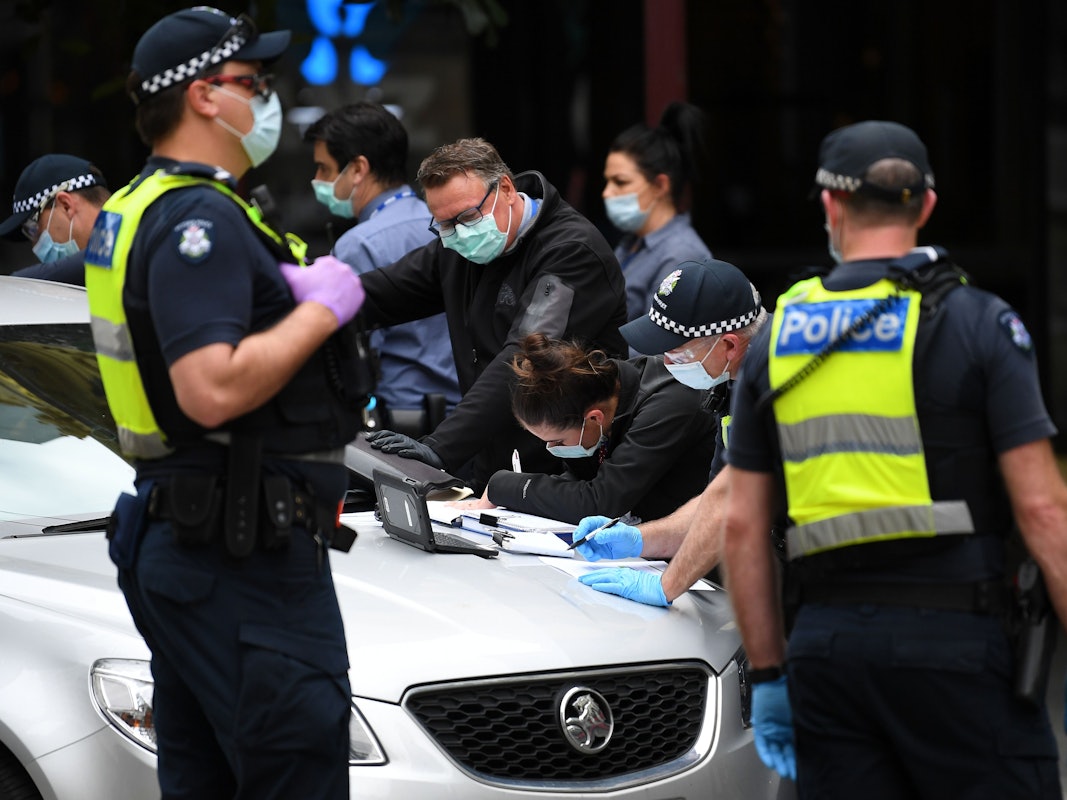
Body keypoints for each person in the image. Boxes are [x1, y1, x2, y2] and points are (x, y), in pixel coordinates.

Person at [722, 120, 1067, 796]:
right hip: (958, 648)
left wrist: (768, 676)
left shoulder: (778, 335)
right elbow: (1041, 507)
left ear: (829, 204)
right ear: (926, 205)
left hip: (826, 655)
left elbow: (740, 527)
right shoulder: (978, 322)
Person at [83, 8, 367, 799]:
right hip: (240, 556)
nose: (267, 98)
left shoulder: (146, 202)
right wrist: (323, 308)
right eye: (255, 83)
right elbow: (207, 389)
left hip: (198, 534)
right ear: (206, 96)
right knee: (292, 773)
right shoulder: (198, 216)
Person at [362, 137, 628, 492]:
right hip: (495, 464)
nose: (458, 234)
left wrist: (439, 447)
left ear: (505, 188)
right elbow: (384, 291)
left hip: (569, 467)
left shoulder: (571, 252)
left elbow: (525, 356)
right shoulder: (458, 247)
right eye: (444, 225)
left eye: (469, 217)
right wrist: (306, 302)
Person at [569, 259, 770, 606]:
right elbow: (715, 498)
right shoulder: (736, 384)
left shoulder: (777, 382)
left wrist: (666, 586)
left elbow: (732, 505)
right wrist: (640, 539)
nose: (666, 360)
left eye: (678, 350)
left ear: (730, 345)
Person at [304, 102, 461, 432]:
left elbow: (348, 356)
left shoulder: (358, 244)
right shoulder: (449, 225)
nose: (316, 180)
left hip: (399, 428)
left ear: (358, 169)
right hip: (464, 419)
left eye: (323, 169)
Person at [456, 331, 716, 523]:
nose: (551, 449)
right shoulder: (591, 402)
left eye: (558, 442)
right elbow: (579, 482)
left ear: (594, 418)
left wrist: (505, 486)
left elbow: (601, 501)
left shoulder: (669, 403)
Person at [603, 102, 712, 322]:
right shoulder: (630, 245)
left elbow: (659, 348)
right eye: (607, 181)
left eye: (620, 182)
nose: (607, 193)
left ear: (660, 185)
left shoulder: (681, 255)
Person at [0, 153, 110, 284]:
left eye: (32, 228)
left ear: (65, 205)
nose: (35, 247)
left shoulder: (133, 237)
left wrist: (15, 285)